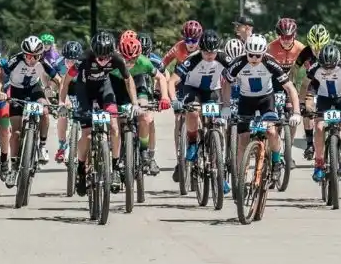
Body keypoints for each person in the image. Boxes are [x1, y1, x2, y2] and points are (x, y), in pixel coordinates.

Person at [223, 33, 299, 185]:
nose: (254, 59)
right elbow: (226, 83)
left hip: (266, 99)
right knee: (243, 139)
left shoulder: (271, 62)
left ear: (264, 53)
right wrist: (225, 106)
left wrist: (296, 112)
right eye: (250, 55)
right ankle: (240, 177)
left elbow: (290, 87)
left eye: (258, 56)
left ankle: (277, 162)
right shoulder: (239, 63)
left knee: (271, 131)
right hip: (246, 100)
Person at [68, 32, 131, 196]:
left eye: (106, 57)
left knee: (114, 127)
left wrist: (136, 103)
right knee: (87, 134)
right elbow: (66, 80)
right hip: (84, 92)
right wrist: (62, 101)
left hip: (104, 89)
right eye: (99, 57)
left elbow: (128, 79)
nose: (103, 60)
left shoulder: (117, 59)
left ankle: (116, 167)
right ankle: (81, 169)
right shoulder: (83, 59)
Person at [173, 29, 230, 193]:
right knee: (193, 111)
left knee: (218, 125)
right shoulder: (192, 59)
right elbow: (173, 80)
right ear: (201, 49)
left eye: (212, 52)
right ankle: (191, 142)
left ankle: (219, 173)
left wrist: (227, 104)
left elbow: (233, 77)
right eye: (206, 52)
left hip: (212, 91)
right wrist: (174, 100)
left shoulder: (224, 58)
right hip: (193, 89)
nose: (210, 56)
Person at [302, 43, 341, 183]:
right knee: (319, 128)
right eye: (324, 66)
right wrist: (302, 105)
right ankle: (318, 163)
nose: (328, 69)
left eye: (331, 66)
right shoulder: (314, 67)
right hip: (324, 99)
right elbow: (305, 85)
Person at [5, 36, 57, 182]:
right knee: (15, 132)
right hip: (16, 91)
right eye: (28, 55)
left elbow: (57, 78)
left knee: (45, 111)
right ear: (23, 53)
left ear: (40, 55)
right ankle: (14, 167)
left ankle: (42, 146)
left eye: (35, 56)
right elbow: (2, 74)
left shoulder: (42, 61)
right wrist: (2, 91)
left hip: (34, 89)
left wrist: (60, 93)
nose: (31, 59)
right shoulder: (15, 60)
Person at [120, 30, 167, 176]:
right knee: (116, 120)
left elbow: (163, 76)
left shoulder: (146, 62)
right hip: (119, 88)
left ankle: (145, 151)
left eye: (133, 60)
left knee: (146, 117)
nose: (129, 63)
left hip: (140, 87)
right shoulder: (114, 61)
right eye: (126, 59)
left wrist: (163, 97)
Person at [266, 17, 305, 156]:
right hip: (273, 83)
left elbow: (311, 70)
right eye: (283, 37)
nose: (287, 40)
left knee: (292, 115)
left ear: (294, 35)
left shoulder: (301, 48)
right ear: (279, 36)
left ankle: (288, 149)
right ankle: (269, 146)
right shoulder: (271, 47)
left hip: (290, 84)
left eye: (289, 37)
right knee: (272, 116)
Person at [54, 40, 84, 163]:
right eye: (68, 60)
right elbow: (56, 81)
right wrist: (61, 99)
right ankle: (62, 145)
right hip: (65, 87)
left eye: (74, 61)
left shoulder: (84, 63)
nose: (70, 63)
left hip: (81, 88)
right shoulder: (58, 64)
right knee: (62, 115)